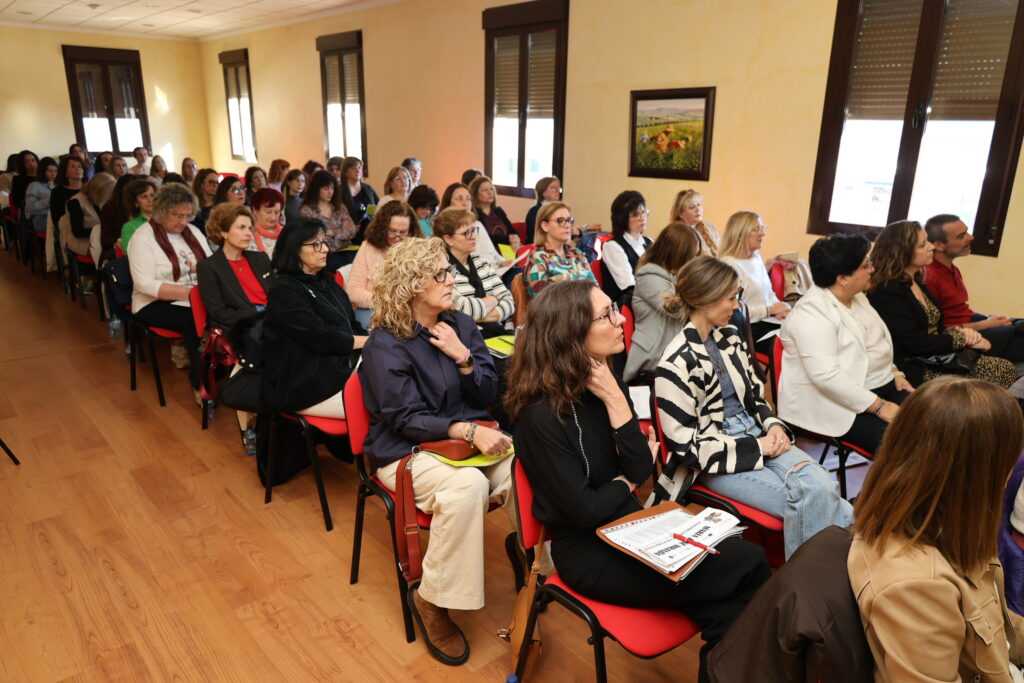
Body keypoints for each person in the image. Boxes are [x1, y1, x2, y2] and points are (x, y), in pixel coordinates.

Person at [506, 279, 772, 683]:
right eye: (606, 315)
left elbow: (638, 467)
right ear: (571, 334)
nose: (620, 321)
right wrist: (627, 483)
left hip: (633, 526)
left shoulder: (604, 382)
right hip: (588, 553)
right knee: (749, 562)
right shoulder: (538, 418)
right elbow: (587, 510)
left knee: (728, 607)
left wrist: (616, 401)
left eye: (615, 310)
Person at [360, 237, 513, 666]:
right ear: (412, 285)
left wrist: (464, 358)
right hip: (404, 451)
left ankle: (541, 568)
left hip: (464, 443)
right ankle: (431, 600)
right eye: (441, 274)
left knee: (525, 465)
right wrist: (464, 429)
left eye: (449, 271)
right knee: (467, 487)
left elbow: (488, 392)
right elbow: (404, 418)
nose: (451, 281)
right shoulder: (385, 343)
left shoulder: (459, 324)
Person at [653, 256, 853, 559]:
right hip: (716, 455)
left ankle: (815, 575)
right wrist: (758, 446)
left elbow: (756, 398)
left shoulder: (729, 338)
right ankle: (836, 561)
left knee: (821, 487)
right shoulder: (675, 363)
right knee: (814, 496)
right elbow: (688, 450)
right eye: (731, 298)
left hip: (756, 431)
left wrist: (773, 426)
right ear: (706, 300)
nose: (737, 306)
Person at [848, 376, 1024, 682]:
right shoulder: (917, 586)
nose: (1011, 473)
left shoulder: (947, 521)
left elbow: (995, 622)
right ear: (977, 472)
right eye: (1009, 461)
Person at [779, 234, 914, 454]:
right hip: (839, 404)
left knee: (938, 422)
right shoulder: (812, 313)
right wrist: (880, 407)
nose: (872, 269)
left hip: (883, 386)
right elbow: (826, 376)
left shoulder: (857, 296)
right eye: (866, 265)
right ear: (843, 278)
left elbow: (875, 343)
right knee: (907, 446)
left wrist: (894, 370)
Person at [867, 220, 1016, 388]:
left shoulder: (916, 279)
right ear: (902, 252)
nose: (931, 247)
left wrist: (963, 333)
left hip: (934, 355)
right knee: (1002, 370)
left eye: (928, 241)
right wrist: (962, 339)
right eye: (923, 245)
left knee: (1005, 364)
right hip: (914, 364)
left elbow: (934, 328)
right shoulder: (887, 289)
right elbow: (914, 342)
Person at [260, 219, 366, 418]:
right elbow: (321, 337)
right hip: (303, 381)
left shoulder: (326, 280)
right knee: (380, 401)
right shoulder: (284, 290)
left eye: (324, 242)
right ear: (294, 249)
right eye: (316, 244)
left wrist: (371, 341)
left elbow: (350, 323)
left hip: (335, 365)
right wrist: (370, 341)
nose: (325, 249)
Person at [198, 202, 271, 452]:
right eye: (241, 227)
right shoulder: (209, 267)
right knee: (262, 353)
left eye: (250, 227)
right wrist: (259, 316)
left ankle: (287, 409)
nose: (249, 233)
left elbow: (278, 293)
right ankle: (249, 424)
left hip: (272, 320)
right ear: (223, 232)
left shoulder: (260, 259)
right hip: (240, 326)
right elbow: (219, 312)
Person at [127, 182, 212, 396]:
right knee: (193, 319)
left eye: (188, 216)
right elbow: (144, 284)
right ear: (161, 211)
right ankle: (200, 383)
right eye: (178, 216)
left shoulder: (193, 231)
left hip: (194, 297)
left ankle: (225, 371)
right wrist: (191, 294)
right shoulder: (143, 237)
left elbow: (210, 265)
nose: (184, 222)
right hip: (153, 302)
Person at [923, 213, 1024, 363]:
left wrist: (991, 320)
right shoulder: (929, 277)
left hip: (972, 321)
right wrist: (985, 324)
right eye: (961, 236)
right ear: (939, 245)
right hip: (963, 335)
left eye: (967, 232)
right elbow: (937, 330)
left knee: (1018, 324)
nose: (971, 238)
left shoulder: (952, 269)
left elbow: (960, 311)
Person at [623, 222, 702, 382]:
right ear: (678, 256)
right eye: (692, 256)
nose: (694, 261)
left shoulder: (676, 276)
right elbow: (677, 309)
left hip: (675, 348)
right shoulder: (648, 277)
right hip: (656, 353)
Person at [719, 210, 790, 354]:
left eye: (763, 228)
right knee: (791, 344)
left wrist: (780, 309)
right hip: (747, 328)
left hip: (766, 320)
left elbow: (769, 294)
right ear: (740, 234)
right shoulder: (729, 265)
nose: (763, 233)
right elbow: (733, 311)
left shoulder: (756, 257)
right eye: (756, 229)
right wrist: (769, 310)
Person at [434, 207, 514, 329]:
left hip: (495, 331)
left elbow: (509, 301)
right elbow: (463, 310)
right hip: (463, 335)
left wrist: (480, 317)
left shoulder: (482, 262)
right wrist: (494, 299)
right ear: (448, 239)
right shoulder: (443, 269)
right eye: (466, 233)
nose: (473, 236)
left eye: (474, 230)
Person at [346, 201, 420, 328]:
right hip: (373, 310)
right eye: (392, 231)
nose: (397, 237)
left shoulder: (418, 251)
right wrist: (388, 302)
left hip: (408, 312)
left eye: (403, 232)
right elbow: (353, 292)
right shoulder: (368, 247)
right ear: (382, 228)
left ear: (411, 231)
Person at [523, 201, 596, 298]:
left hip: (587, 305)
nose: (568, 225)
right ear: (545, 226)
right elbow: (541, 302)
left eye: (569, 220)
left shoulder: (576, 253)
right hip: (564, 308)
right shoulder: (537, 259)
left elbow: (595, 288)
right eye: (560, 221)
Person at [440, 182, 507, 272]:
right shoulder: (444, 228)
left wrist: (503, 261)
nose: (465, 203)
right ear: (448, 203)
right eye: (459, 199)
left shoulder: (477, 224)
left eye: (468, 199)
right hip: (480, 273)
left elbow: (491, 250)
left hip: (497, 270)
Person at [600, 190, 652, 303]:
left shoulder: (650, 242)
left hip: (649, 299)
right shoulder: (612, 247)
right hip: (626, 304)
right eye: (636, 215)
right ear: (622, 218)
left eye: (643, 212)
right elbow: (629, 287)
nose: (642, 218)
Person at [300, 170, 357, 268]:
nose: (330, 192)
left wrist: (332, 232)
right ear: (316, 189)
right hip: (325, 254)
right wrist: (341, 231)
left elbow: (352, 230)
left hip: (347, 250)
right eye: (326, 188)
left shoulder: (340, 207)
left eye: (332, 188)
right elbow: (314, 237)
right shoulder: (307, 211)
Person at [62, 172, 115, 265]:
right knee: (114, 253)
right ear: (98, 192)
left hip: (98, 239)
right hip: (81, 242)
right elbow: (78, 232)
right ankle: (106, 272)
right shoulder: (75, 202)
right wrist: (102, 230)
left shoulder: (97, 200)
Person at [469, 175, 519, 251]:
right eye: (485, 190)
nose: (489, 192)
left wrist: (515, 239)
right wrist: (508, 239)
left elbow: (513, 231)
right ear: (475, 194)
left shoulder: (498, 211)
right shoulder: (473, 214)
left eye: (491, 189)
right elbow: (484, 238)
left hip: (506, 251)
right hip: (486, 252)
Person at [97, 173, 139, 261]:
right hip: (120, 247)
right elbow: (105, 240)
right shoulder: (110, 208)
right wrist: (125, 237)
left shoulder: (140, 206)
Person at [670, 189, 719, 256]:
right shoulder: (677, 235)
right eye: (692, 207)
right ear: (680, 213)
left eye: (699, 205)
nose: (698, 210)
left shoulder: (710, 227)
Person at [119, 178, 157, 250]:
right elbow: (131, 253)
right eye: (144, 197)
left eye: (152, 195)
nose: (150, 200)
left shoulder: (165, 220)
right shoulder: (129, 227)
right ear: (135, 202)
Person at [24, 157, 58, 237]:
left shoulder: (57, 185)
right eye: (49, 171)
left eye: (55, 171)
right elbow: (30, 208)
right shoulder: (34, 185)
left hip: (55, 217)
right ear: (43, 171)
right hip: (41, 220)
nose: (53, 174)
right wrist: (48, 199)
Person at [341, 156, 377, 224]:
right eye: (353, 168)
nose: (357, 171)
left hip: (369, 226)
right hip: (349, 228)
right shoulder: (340, 191)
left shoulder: (368, 189)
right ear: (346, 171)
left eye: (359, 167)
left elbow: (376, 205)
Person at [248, 188, 283, 258]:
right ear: (255, 210)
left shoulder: (286, 233)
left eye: (276, 212)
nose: (273, 218)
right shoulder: (247, 234)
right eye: (268, 212)